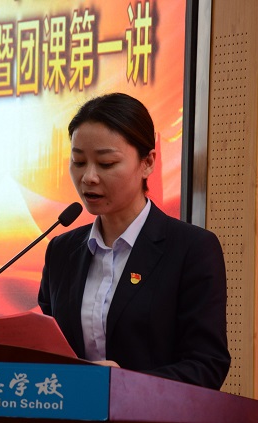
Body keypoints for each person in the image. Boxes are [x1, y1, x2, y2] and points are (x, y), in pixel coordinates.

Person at [38, 92, 230, 389]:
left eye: (106, 163)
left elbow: (207, 366)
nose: (88, 177)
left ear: (148, 163)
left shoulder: (192, 249)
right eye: (78, 161)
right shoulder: (61, 251)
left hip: (152, 411)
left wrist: (123, 383)